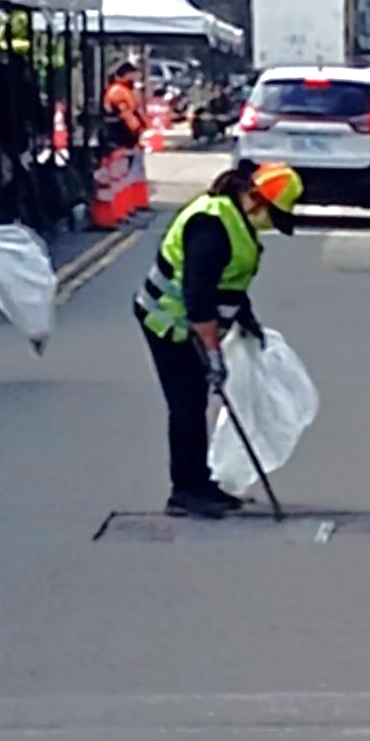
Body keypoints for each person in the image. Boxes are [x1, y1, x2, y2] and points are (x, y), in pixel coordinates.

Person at [134, 163, 304, 519]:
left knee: (194, 401)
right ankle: (184, 491)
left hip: (192, 322)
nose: (271, 225)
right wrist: (213, 354)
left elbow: (230, 285)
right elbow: (198, 298)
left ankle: (199, 482)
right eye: (272, 216)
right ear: (255, 201)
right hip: (167, 320)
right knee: (186, 404)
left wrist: (247, 321)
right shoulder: (210, 225)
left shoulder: (236, 223)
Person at [104, 62, 147, 151]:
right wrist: (137, 130)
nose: (136, 77)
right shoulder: (118, 91)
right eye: (132, 73)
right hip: (123, 139)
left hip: (129, 139)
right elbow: (126, 114)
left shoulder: (127, 90)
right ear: (126, 74)